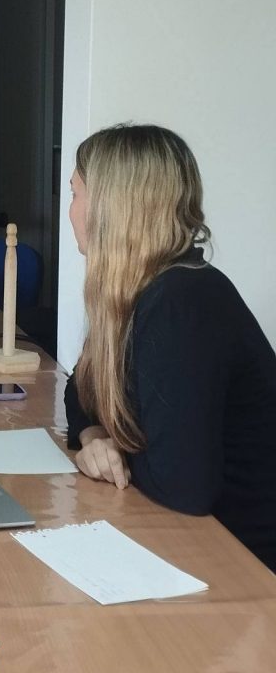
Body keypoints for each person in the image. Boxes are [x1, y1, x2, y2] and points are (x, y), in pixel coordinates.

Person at [64, 123, 276, 569]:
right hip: (205, 543)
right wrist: (94, 436)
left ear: (113, 208)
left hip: (247, 563)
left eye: (75, 193)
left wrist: (115, 452)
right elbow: (80, 390)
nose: (71, 211)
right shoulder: (142, 290)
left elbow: (185, 488)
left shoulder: (182, 302)